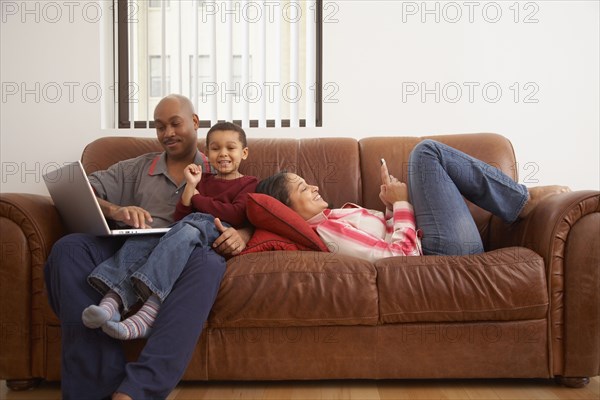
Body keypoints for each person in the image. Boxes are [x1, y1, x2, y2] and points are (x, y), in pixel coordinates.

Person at [44, 94, 252, 400]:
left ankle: (136, 391)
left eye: (175, 123)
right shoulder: (136, 168)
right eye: (159, 127)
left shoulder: (220, 166)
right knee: (69, 249)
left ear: (195, 123)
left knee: (208, 263)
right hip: (131, 244)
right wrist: (115, 210)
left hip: (192, 252)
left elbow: (255, 208)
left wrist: (244, 234)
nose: (167, 133)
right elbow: (80, 189)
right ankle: (95, 388)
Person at [82, 122, 258, 340]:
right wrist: (191, 186)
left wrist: (196, 198)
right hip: (189, 225)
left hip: (217, 228)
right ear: (207, 152)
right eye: (215, 148)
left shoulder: (249, 183)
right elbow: (182, 216)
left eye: (230, 148)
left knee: (187, 232)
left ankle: (146, 317)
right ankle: (111, 302)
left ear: (244, 152)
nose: (223, 154)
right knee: (148, 238)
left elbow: (235, 214)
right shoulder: (202, 179)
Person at [256, 139, 569, 258]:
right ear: (289, 211)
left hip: (441, 244)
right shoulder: (328, 230)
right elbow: (399, 258)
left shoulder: (334, 218)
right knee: (426, 152)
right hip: (442, 253)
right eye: (302, 189)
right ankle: (521, 200)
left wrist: (392, 206)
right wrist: (405, 203)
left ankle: (517, 199)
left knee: (427, 154)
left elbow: (387, 239)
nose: (312, 186)